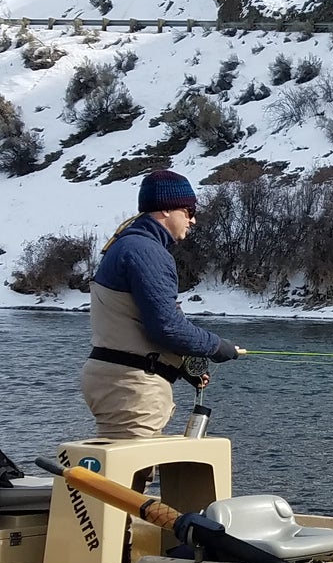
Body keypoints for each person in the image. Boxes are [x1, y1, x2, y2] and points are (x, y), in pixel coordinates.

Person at [80, 168, 241, 439]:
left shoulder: (128, 245)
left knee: (117, 472)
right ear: (166, 210)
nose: (193, 220)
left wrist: (182, 364)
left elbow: (139, 321)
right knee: (127, 479)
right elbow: (166, 326)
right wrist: (216, 346)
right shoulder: (147, 251)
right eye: (188, 211)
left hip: (113, 379)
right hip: (130, 386)